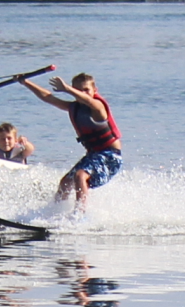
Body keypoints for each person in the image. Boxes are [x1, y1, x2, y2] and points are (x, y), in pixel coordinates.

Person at [20, 71, 122, 209]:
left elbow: (88, 100)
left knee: (80, 176)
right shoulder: (73, 108)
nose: (83, 93)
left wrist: (67, 89)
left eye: (86, 90)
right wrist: (25, 82)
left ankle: (80, 215)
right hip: (93, 155)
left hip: (110, 156)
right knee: (65, 183)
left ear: (95, 90)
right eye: (79, 90)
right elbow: (48, 98)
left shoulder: (98, 107)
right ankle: (53, 213)